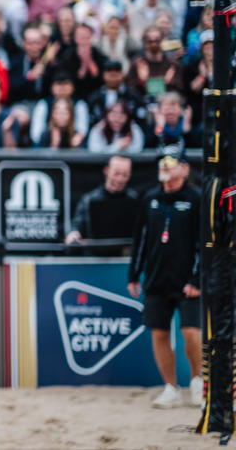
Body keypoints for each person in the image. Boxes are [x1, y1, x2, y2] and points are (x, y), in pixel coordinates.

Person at [128, 144, 202, 409]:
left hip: (187, 282)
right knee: (159, 335)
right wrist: (134, 275)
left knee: (191, 333)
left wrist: (197, 279)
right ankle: (171, 387)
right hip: (157, 280)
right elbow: (141, 241)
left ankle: (197, 383)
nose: (164, 166)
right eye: (161, 162)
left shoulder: (196, 198)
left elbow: (204, 244)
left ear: (184, 168)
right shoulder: (150, 199)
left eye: (171, 162)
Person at [65, 155, 140, 252]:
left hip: (124, 257)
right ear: (106, 171)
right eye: (116, 174)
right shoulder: (88, 200)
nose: (120, 179)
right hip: (95, 256)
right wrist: (74, 233)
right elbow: (77, 224)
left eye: (125, 175)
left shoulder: (134, 199)